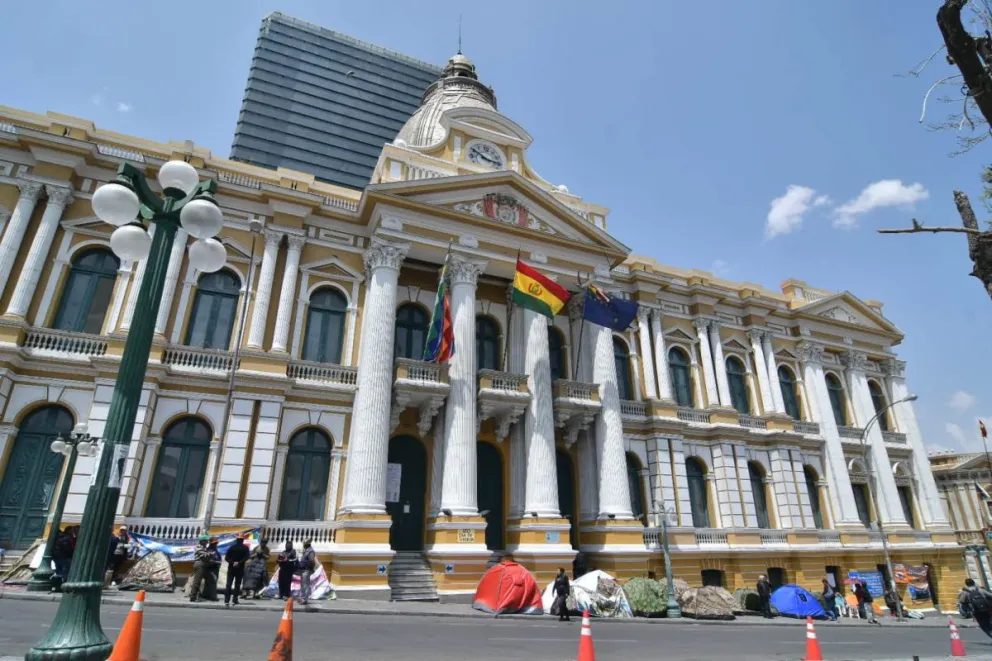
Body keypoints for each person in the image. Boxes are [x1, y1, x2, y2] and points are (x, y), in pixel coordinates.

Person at [224, 533, 250, 607]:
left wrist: (232, 562)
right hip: (240, 568)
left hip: (231, 568)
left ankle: (226, 600)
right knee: (237, 585)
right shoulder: (245, 548)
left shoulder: (231, 547)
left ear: (237, 540)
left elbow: (226, 558)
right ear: (242, 540)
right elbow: (247, 557)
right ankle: (235, 600)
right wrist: (239, 562)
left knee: (228, 584)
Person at [188, 535, 212, 602]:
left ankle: (198, 595)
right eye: (206, 541)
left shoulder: (203, 548)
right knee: (197, 581)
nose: (207, 542)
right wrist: (211, 554)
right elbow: (203, 556)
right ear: (202, 541)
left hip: (202, 564)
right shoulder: (199, 547)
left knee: (200, 581)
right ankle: (193, 597)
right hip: (199, 564)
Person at [298, 539, 316, 605]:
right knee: (303, 584)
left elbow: (312, 561)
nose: (303, 545)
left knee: (305, 584)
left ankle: (305, 599)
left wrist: (308, 566)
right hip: (303, 570)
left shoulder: (311, 551)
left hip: (307, 570)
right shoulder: (306, 551)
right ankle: (302, 598)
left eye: (304, 544)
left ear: (307, 544)